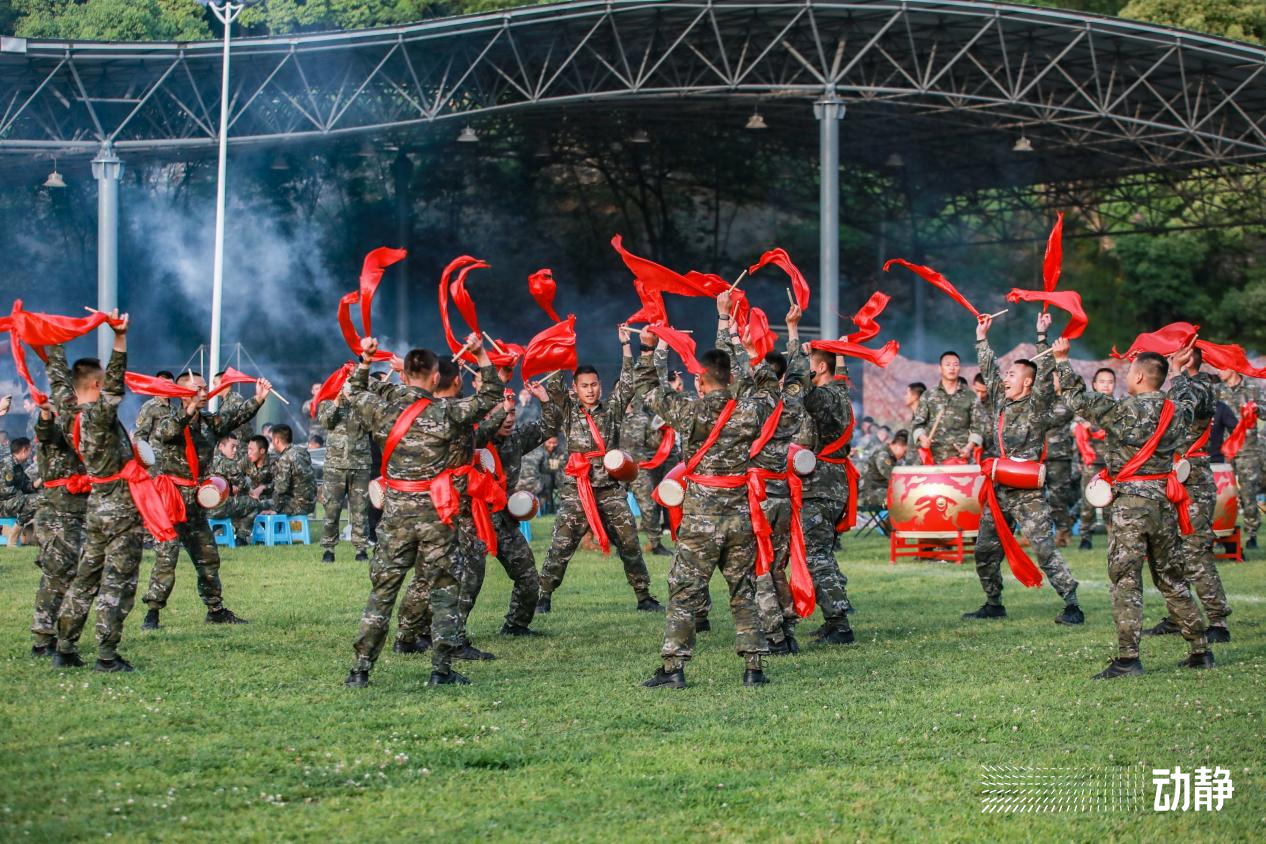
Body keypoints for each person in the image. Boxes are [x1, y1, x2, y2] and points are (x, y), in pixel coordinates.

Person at [343, 333, 502, 688]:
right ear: (434, 377)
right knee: (444, 591)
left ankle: (360, 670)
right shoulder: (446, 412)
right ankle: (440, 671)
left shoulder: (382, 409)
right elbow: (491, 396)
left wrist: (366, 361)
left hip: (395, 513)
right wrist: (481, 354)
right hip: (435, 513)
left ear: (404, 375)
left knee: (382, 593)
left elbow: (354, 393)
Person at [637, 293, 778, 689]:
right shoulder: (749, 411)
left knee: (685, 592)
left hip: (700, 518)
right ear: (731, 378)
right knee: (742, 592)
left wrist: (648, 350)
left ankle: (674, 670)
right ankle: (753, 669)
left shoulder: (690, 411)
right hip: (740, 517)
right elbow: (770, 392)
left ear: (701, 380)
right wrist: (752, 354)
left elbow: (648, 390)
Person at [1054, 338, 1214, 679]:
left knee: (1126, 579)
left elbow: (1077, 398)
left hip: (1130, 506)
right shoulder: (1177, 410)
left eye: (1129, 372)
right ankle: (1201, 649)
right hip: (1164, 504)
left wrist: (1063, 360)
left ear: (1140, 377)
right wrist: (1183, 372)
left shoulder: (1122, 410)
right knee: (1172, 578)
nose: (1126, 376)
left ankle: (1129, 658)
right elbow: (1193, 397)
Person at [47, 313, 157, 672]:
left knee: (86, 576)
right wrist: (120, 338)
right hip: (121, 506)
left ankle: (64, 647)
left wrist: (54, 340)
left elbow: (58, 378)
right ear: (95, 384)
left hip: (97, 503)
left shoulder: (67, 412)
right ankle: (107, 656)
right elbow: (115, 385)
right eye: (103, 382)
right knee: (118, 581)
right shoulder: (96, 416)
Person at [965, 312, 1082, 624]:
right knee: (985, 550)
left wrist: (1042, 336)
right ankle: (993, 603)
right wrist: (981, 338)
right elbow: (989, 372)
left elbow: (1044, 375)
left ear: (1027, 382)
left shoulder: (1037, 405)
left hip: (1027, 492)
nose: (1006, 378)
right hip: (1000, 487)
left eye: (1013, 375)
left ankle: (1072, 604)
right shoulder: (1001, 403)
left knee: (1044, 549)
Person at [536, 329, 661, 614]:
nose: (590, 390)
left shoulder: (613, 410)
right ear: (576, 389)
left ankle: (643, 597)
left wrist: (626, 346)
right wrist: (561, 350)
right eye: (584, 385)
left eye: (594, 384)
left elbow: (628, 383)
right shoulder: (569, 411)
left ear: (600, 386)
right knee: (560, 546)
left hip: (609, 490)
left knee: (630, 544)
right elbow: (554, 386)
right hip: (577, 490)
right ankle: (543, 597)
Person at [140, 370, 267, 629]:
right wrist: (187, 412)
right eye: (197, 388)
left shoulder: (208, 421)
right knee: (167, 555)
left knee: (208, 555)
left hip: (195, 500)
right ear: (183, 393)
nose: (203, 391)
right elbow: (168, 432)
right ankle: (152, 613)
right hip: (171, 498)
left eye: (204, 387)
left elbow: (234, 418)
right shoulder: (168, 419)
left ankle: (215, 610)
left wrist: (258, 399)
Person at [1143, 347, 1233, 644]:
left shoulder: (1201, 387)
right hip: (1171, 481)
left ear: (1189, 358)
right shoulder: (1175, 389)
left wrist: (1179, 372)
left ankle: (1217, 619)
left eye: (1175, 352)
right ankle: (1178, 615)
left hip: (1194, 482)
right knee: (1168, 554)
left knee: (1195, 552)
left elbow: (1188, 405)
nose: (1169, 357)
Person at [475, 381, 560, 635]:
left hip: (503, 520)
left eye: (512, 412)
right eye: (503, 413)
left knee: (528, 577)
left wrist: (544, 399)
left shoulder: (516, 440)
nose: (509, 418)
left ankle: (516, 625)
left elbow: (550, 426)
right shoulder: (471, 440)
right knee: (465, 583)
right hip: (473, 521)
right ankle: (440, 637)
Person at [794, 330, 859, 645]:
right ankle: (836, 615)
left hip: (819, 487)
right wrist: (841, 353)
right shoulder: (841, 392)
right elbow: (841, 376)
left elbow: (803, 391)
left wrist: (797, 351)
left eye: (811, 363)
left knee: (816, 556)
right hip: (832, 484)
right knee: (824, 553)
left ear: (819, 368)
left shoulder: (826, 397)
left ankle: (839, 623)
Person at [29, 398, 89, 657]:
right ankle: (42, 640)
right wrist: (45, 412)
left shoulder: (85, 431)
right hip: (55, 512)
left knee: (74, 574)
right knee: (55, 574)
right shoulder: (56, 428)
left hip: (79, 512)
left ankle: (59, 634)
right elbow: (44, 431)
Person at [316, 386, 372, 563]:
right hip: (335, 466)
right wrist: (336, 404)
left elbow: (371, 424)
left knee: (360, 509)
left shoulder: (364, 402)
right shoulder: (327, 403)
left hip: (360, 464)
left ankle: (361, 548)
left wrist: (357, 401)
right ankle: (329, 549)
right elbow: (325, 422)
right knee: (331, 508)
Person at [1214, 367, 1264, 549]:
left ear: (1233, 368)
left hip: (1248, 449)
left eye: (1222, 368)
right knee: (1223, 496)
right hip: (1224, 450)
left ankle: (1251, 535)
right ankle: (1222, 533)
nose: (1219, 372)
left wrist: (1257, 409)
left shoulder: (1252, 387)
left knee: (1248, 493)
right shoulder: (1217, 390)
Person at [620, 398, 671, 556]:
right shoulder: (612, 416)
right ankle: (622, 545)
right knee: (617, 508)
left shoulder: (642, 418)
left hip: (638, 467)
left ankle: (656, 543)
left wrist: (660, 429)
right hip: (617, 468)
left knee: (648, 506)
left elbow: (653, 444)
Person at [911, 353, 984, 464]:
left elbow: (978, 427)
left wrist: (968, 448)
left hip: (961, 459)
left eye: (955, 364)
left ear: (959, 368)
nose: (952, 368)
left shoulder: (970, 397)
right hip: (934, 458)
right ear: (940, 368)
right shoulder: (928, 395)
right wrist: (922, 438)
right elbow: (917, 424)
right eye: (948, 364)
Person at [1075, 368, 1116, 550]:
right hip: (1091, 461)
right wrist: (1078, 459)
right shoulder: (1087, 407)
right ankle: (1085, 536)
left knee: (1112, 501)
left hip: (1113, 462)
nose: (1106, 385)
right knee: (1088, 500)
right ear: (1094, 384)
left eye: (1110, 381)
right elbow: (1078, 434)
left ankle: (1112, 536)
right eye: (1102, 381)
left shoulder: (1119, 406)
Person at [207, 434, 267, 546]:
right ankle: (241, 537)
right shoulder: (227, 462)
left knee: (237, 502)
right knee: (253, 504)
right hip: (219, 508)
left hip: (204, 508)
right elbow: (242, 482)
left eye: (236, 447)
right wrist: (252, 493)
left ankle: (219, 533)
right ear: (221, 447)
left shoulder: (207, 459)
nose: (235, 450)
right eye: (232, 447)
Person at [1044, 383, 1078, 547]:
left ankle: (1063, 531)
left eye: (1054, 375)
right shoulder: (1039, 397)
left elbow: (1056, 417)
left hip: (1059, 455)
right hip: (1038, 454)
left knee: (1057, 496)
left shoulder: (1066, 399)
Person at [859, 429, 908, 516]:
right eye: (904, 452)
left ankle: (889, 526)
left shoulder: (889, 455)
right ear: (897, 446)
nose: (904, 456)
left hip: (876, 491)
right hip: (867, 495)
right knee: (902, 496)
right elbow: (893, 478)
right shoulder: (883, 455)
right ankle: (891, 526)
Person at [270, 424, 316, 516]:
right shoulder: (302, 452)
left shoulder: (286, 458)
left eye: (272, 440)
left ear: (276, 440)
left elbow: (281, 489)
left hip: (296, 505)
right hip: (310, 503)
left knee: (260, 506)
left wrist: (273, 509)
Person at [0, 436, 39, 529]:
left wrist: (41, 479)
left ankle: (24, 530)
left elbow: (27, 486)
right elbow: (7, 492)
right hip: (3, 504)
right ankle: (15, 531)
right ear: (24, 450)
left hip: (13, 501)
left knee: (43, 497)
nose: (30, 454)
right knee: (38, 500)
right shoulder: (8, 464)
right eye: (30, 450)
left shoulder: (18, 465)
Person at [132, 370, 174, 444]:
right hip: (155, 453)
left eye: (170, 385)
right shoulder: (149, 407)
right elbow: (140, 435)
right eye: (163, 385)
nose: (167, 388)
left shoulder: (173, 408)